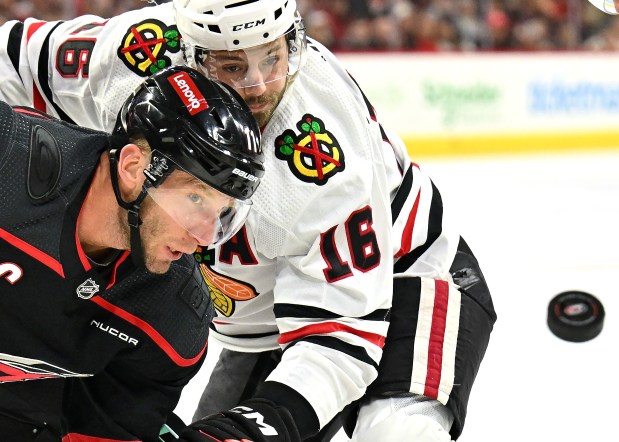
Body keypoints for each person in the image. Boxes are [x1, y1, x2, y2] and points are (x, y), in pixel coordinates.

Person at [0, 1, 497, 441]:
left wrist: (261, 424)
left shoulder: (323, 160)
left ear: (294, 40)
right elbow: (15, 57)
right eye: (232, 65)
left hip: (406, 272)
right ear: (188, 50)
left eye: (273, 56)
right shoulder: (134, 53)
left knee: (396, 433)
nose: (258, 86)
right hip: (263, 319)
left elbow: (343, 333)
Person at [0, 65, 265, 441]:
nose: (204, 237)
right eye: (194, 198)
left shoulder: (173, 318)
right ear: (132, 167)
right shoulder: (7, 162)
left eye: (221, 212)